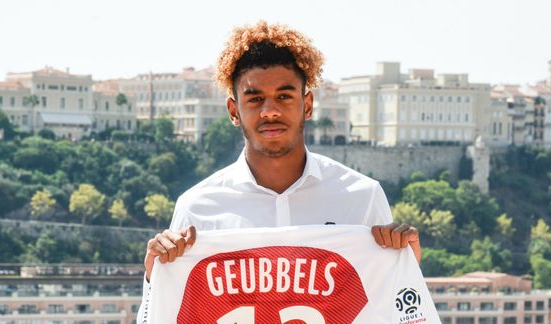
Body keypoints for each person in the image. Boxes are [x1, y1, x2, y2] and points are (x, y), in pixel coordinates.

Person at [144, 21, 420, 281]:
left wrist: (407, 264)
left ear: (308, 105)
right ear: (233, 111)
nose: (270, 111)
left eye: (284, 96)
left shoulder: (363, 197)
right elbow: (170, 321)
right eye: (255, 99)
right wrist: (154, 274)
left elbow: (393, 305)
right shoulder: (196, 209)